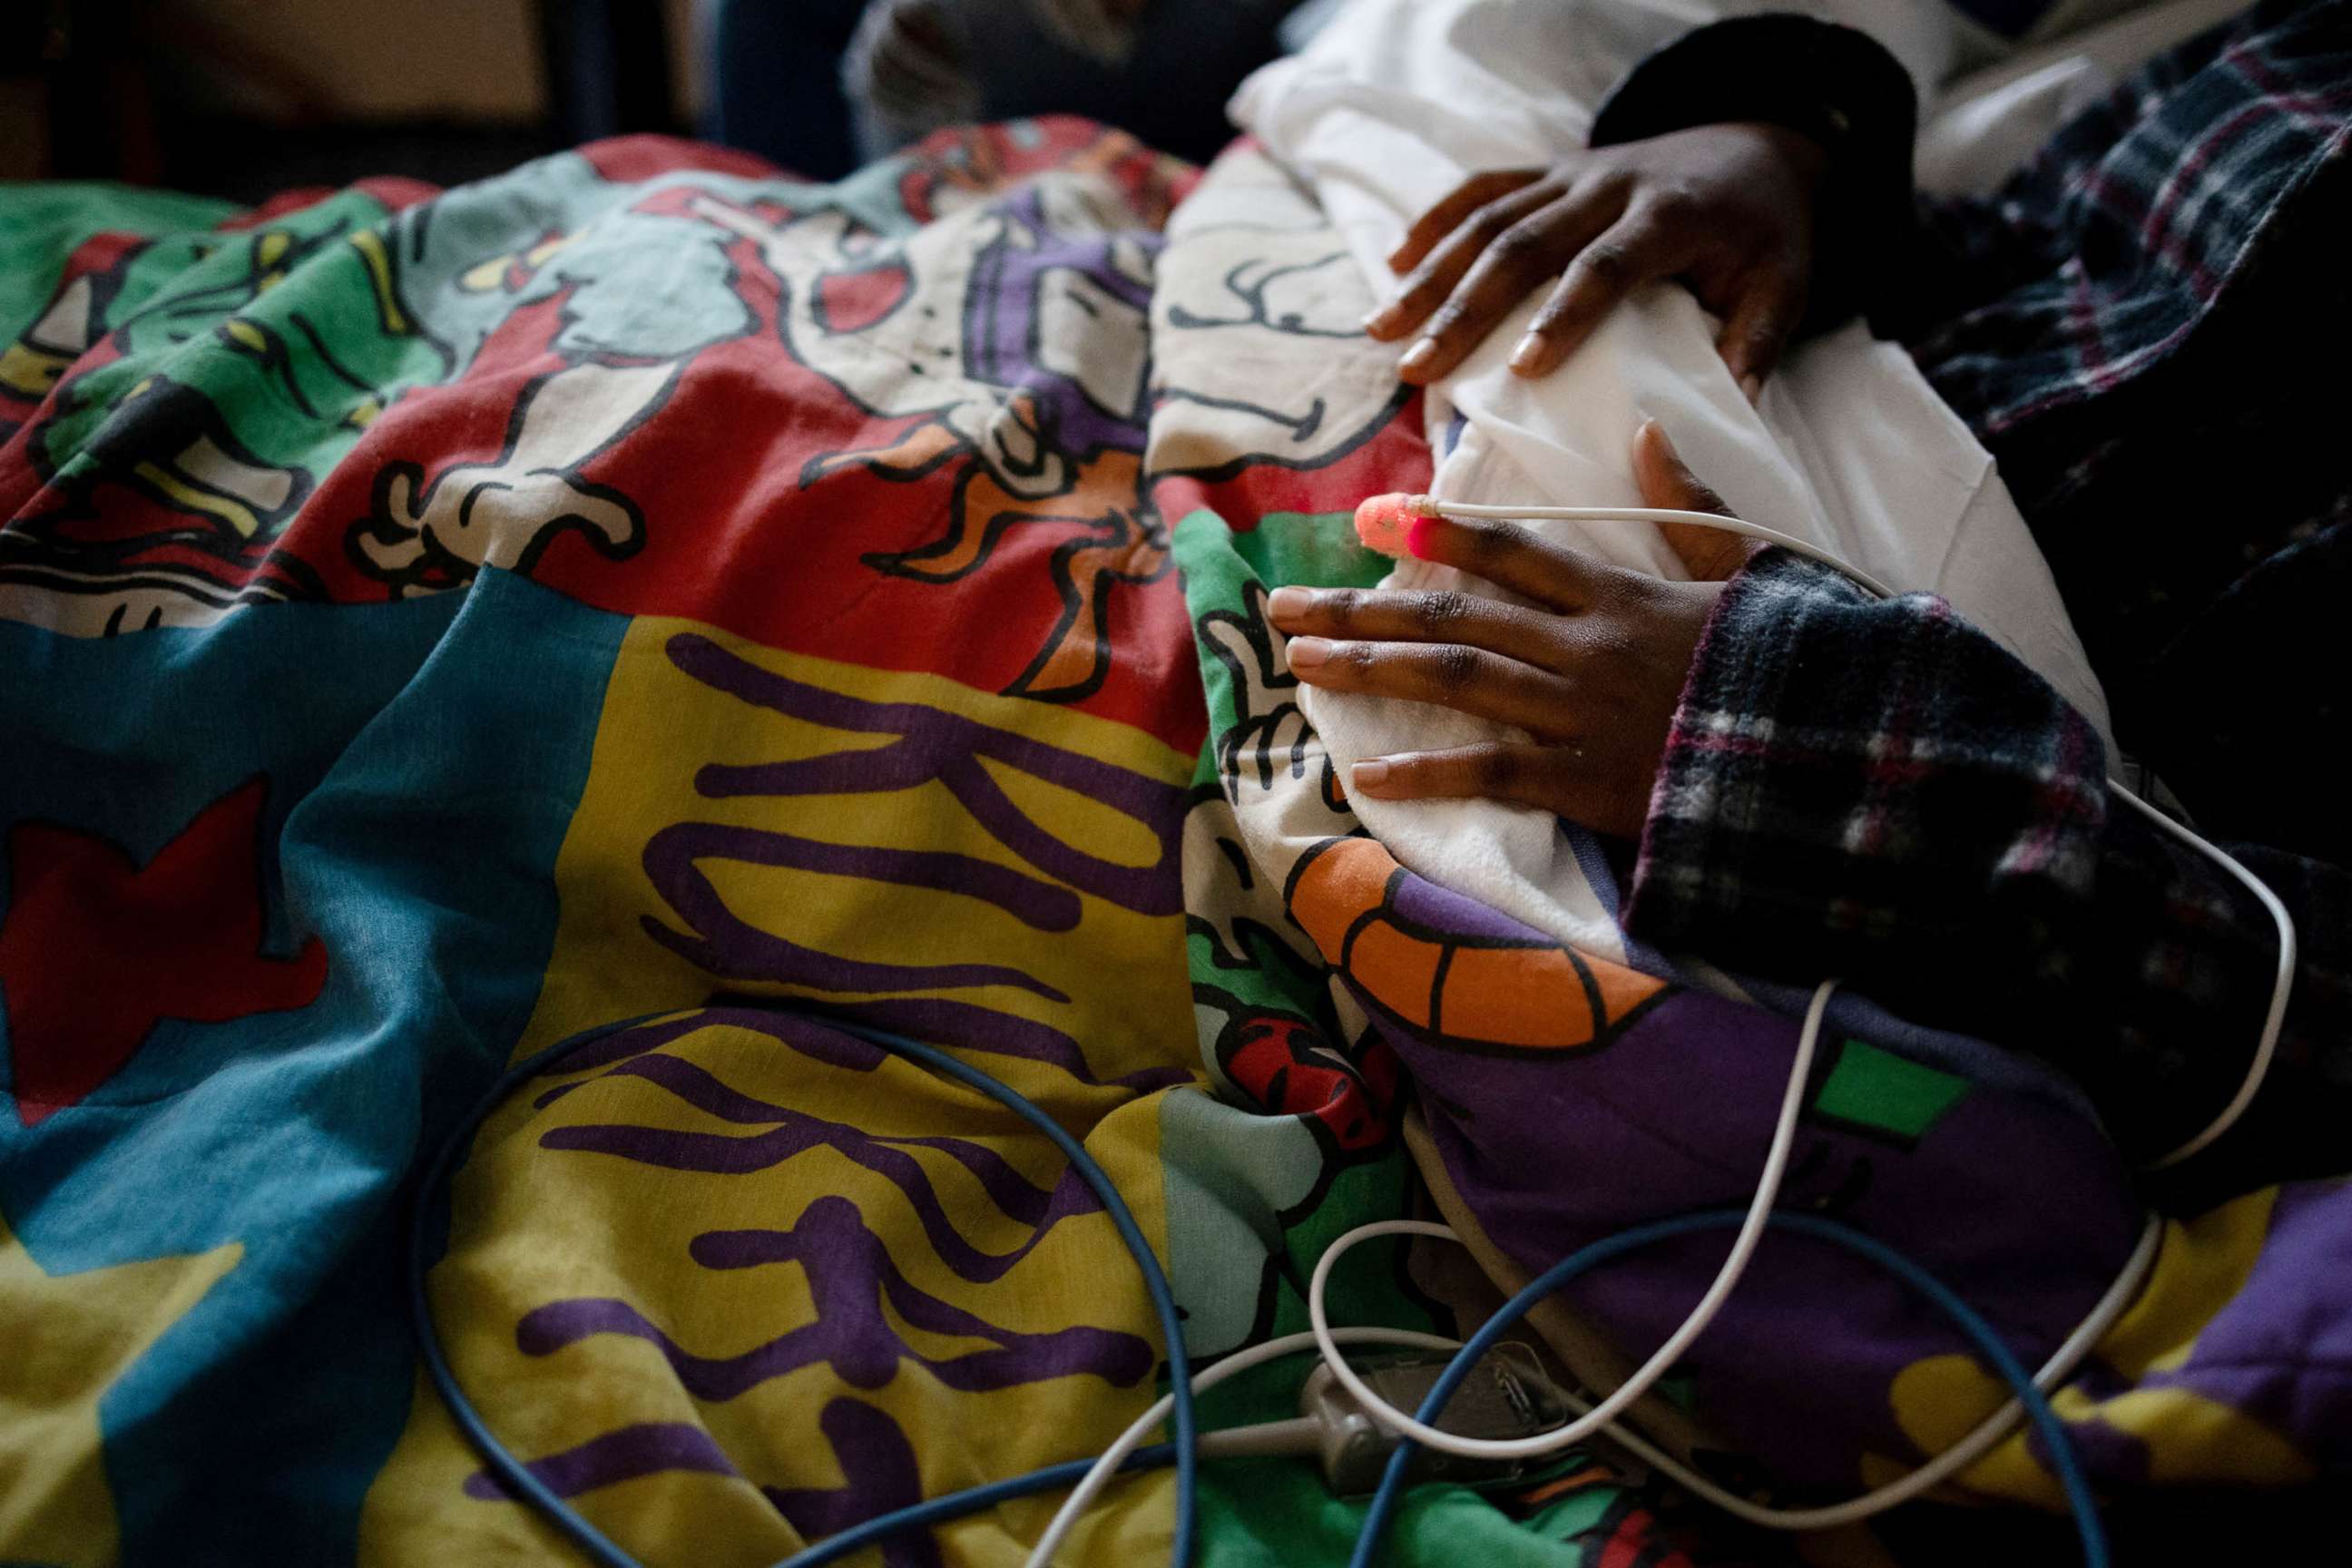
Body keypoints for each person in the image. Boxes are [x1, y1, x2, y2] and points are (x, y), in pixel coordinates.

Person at [1264, 0, 2350, 1209]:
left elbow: (2290, 1021)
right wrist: (1797, 139)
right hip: (1834, 319)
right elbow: (2068, 207)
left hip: (1948, 764)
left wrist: (1827, 758)